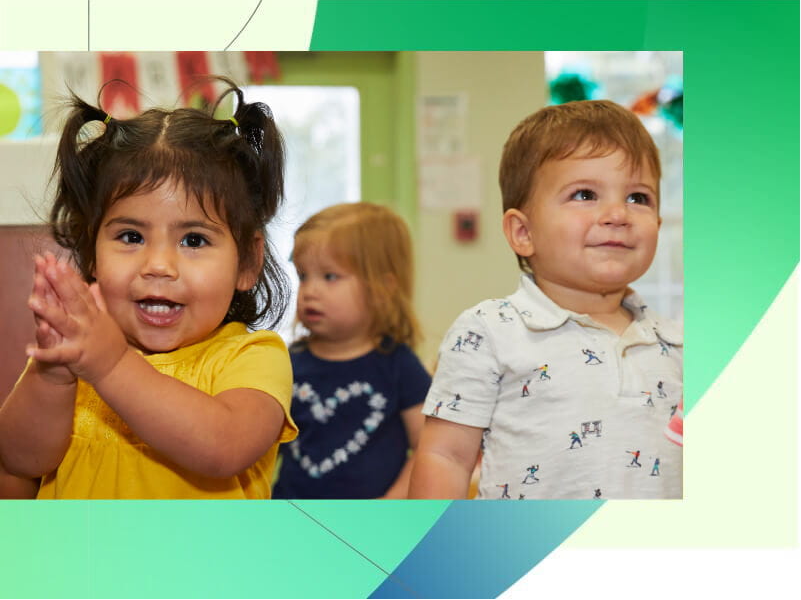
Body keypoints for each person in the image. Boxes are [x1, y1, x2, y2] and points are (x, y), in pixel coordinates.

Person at [0, 78, 298, 499]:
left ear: (246, 262)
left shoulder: (251, 357)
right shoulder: (77, 355)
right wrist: (54, 374)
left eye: (193, 240)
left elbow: (223, 446)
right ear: (92, 252)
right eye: (131, 237)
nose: (158, 265)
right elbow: (17, 464)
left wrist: (109, 365)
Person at [409, 100, 682, 500]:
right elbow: (446, 457)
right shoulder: (487, 332)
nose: (617, 214)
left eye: (638, 198)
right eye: (585, 194)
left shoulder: (679, 344)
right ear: (523, 232)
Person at [272, 203, 430, 499]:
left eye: (330, 277)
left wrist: (393, 502)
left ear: (382, 288)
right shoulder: (284, 363)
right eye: (304, 276)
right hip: (292, 521)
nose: (310, 291)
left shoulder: (399, 365)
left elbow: (428, 448)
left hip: (371, 526)